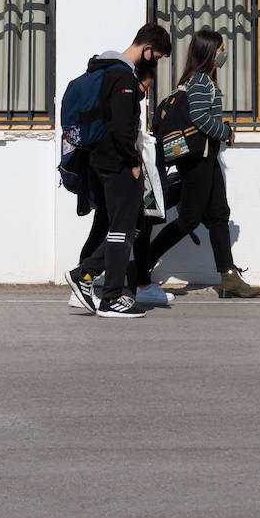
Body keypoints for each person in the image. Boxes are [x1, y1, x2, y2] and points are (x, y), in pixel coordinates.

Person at [65, 23, 172, 319]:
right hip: (118, 164)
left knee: (130, 225)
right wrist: (134, 163)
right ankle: (111, 296)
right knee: (123, 228)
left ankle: (85, 275)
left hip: (101, 161)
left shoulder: (108, 71)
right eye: (158, 57)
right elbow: (123, 125)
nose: (156, 62)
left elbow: (112, 111)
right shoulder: (122, 75)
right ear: (147, 49)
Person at [147, 28, 260, 299]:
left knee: (219, 214)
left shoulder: (203, 80)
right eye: (220, 50)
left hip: (207, 160)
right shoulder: (200, 81)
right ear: (210, 52)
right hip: (198, 160)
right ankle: (139, 265)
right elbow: (199, 117)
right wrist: (225, 133)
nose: (223, 54)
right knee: (188, 219)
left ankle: (229, 277)